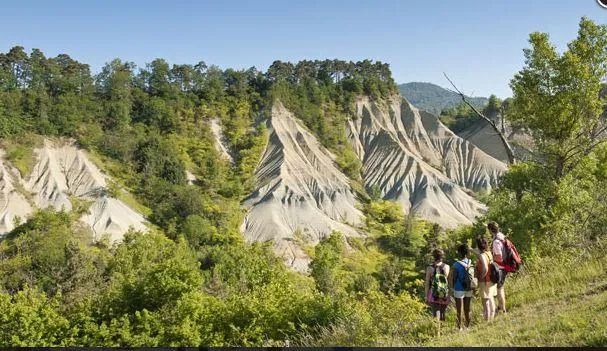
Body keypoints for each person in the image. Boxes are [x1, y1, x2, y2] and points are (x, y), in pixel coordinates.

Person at [449, 243, 472, 331]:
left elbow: (454, 278)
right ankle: (468, 327)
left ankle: (459, 328)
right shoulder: (470, 262)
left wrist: (452, 288)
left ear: (460, 253)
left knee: (459, 310)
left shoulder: (456, 265)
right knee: (467, 309)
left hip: (459, 289)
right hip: (469, 288)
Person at [425, 248, 450, 323]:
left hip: (433, 294)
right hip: (444, 294)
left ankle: (437, 332)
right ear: (442, 256)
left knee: (435, 315)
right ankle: (442, 332)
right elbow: (447, 282)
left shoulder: (429, 268)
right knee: (442, 314)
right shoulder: (447, 267)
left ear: (434, 256)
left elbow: (427, 283)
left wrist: (426, 296)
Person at [488, 221, 507, 314]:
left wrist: (491, 257)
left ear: (491, 230)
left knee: (499, 289)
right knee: (500, 287)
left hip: (500, 267)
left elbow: (499, 257)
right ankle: (500, 308)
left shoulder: (496, 241)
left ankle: (503, 310)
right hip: (504, 266)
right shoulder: (501, 236)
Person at [475, 236, 496, 321]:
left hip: (485, 281)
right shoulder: (489, 253)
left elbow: (485, 268)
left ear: (479, 246)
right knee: (491, 298)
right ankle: (492, 318)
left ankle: (487, 320)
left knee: (485, 301)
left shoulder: (482, 255)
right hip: (491, 280)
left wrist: (480, 277)